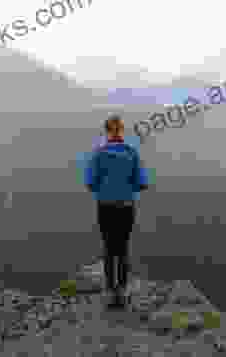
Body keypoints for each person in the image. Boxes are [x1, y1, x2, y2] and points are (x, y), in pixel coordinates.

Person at [84, 114, 149, 308]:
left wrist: (105, 187)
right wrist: (126, 186)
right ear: (121, 131)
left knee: (108, 246)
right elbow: (142, 183)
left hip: (105, 206)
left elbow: (90, 183)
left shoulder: (99, 153)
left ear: (106, 132)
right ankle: (121, 291)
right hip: (126, 207)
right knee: (123, 247)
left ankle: (110, 290)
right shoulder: (131, 153)